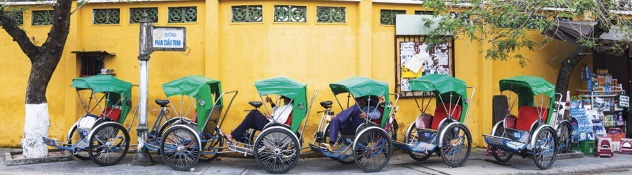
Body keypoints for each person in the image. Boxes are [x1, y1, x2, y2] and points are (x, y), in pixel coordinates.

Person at [222, 96, 293, 143]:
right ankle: (238, 132)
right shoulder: (286, 106)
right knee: (249, 120)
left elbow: (281, 120)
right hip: (271, 123)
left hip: (272, 125)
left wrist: (271, 118)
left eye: (284, 98)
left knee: (254, 112)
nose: (283, 99)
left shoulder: (289, 107)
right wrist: (271, 102)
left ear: (289, 98)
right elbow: (277, 111)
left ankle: (236, 133)